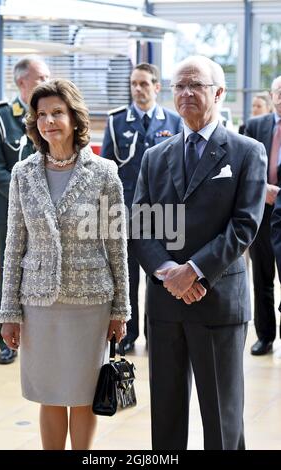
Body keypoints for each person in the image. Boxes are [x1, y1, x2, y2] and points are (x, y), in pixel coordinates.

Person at [130, 55, 267, 450]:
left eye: (196, 85)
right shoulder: (156, 156)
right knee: (166, 421)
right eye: (180, 86)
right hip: (165, 304)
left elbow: (244, 226)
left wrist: (193, 269)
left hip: (218, 301)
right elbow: (140, 225)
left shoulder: (245, 152)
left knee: (222, 421)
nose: (186, 93)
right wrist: (167, 271)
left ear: (219, 93)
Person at [0, 78, 131, 450]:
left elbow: (116, 245)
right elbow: (14, 245)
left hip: (90, 304)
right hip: (38, 303)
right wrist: (9, 311)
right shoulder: (22, 174)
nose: (49, 121)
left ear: (75, 118)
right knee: (50, 393)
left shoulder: (105, 172)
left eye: (58, 112)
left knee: (84, 393)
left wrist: (121, 308)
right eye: (41, 114)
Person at [101, 62, 182, 352]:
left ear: (157, 87)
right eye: (134, 84)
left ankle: (155, 334)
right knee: (127, 276)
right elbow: (106, 170)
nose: (138, 89)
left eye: (144, 83)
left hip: (164, 215)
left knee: (161, 276)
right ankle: (128, 335)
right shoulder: (116, 122)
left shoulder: (174, 122)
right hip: (124, 213)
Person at [0, 55, 50, 365]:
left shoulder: (49, 116)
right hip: (11, 211)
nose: (46, 83)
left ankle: (42, 335)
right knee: (10, 275)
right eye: (40, 78)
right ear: (22, 82)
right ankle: (6, 341)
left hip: (48, 213)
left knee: (45, 271)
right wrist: (28, 193)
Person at [245, 77, 281, 355]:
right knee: (261, 277)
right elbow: (242, 167)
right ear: (271, 96)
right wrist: (261, 187)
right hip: (262, 212)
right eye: (278, 92)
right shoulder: (256, 126)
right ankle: (265, 336)